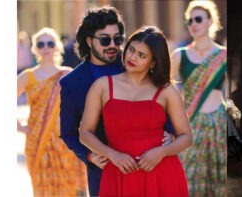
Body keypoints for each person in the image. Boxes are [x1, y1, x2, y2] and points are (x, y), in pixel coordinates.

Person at [59, 5, 173, 196]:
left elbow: (162, 100)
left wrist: (170, 134)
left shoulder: (136, 62)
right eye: (105, 40)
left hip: (149, 166)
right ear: (89, 40)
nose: (113, 45)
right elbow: (68, 133)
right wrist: (89, 156)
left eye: (118, 39)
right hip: (104, 170)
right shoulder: (71, 84)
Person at [79, 25, 193, 197]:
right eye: (131, 49)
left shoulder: (166, 91)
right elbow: (85, 133)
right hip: (117, 173)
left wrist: (161, 152)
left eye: (142, 56)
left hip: (162, 174)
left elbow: (187, 137)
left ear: (153, 62)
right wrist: (112, 154)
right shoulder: (102, 86)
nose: (132, 57)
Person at [17, 27, 87, 197]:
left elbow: (83, 106)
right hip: (38, 141)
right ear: (35, 49)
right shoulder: (28, 76)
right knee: (42, 189)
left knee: (68, 188)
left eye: (50, 43)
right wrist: (20, 127)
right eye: (41, 44)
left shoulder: (68, 74)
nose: (46, 47)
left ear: (57, 47)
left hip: (66, 143)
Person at [170, 0, 227, 196]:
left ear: (211, 21)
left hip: (218, 123)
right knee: (189, 176)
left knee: (218, 176)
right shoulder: (179, 55)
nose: (193, 24)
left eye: (198, 19)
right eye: (190, 20)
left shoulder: (224, 55)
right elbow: (164, 89)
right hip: (190, 123)